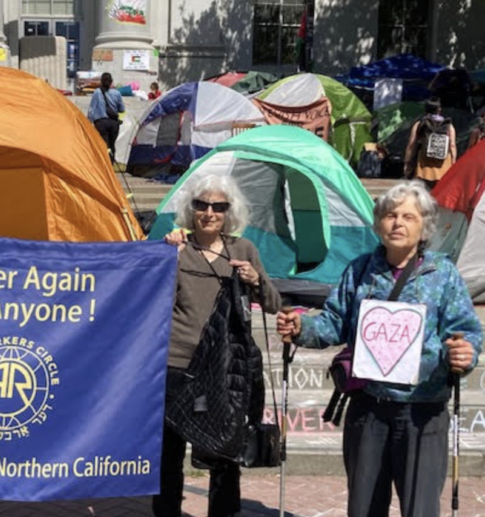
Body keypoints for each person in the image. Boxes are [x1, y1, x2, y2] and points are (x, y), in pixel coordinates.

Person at [277, 181, 482, 517]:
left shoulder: (442, 274)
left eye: (408, 216)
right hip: (368, 408)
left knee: (419, 508)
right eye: (390, 215)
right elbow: (334, 322)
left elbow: (466, 333)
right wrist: (302, 328)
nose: (397, 222)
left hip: (423, 411)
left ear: (424, 225)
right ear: (378, 223)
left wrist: (464, 353)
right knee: (364, 508)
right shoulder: (360, 270)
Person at [155, 175, 281, 517]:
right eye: (201, 205)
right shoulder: (176, 248)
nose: (209, 212)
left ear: (229, 212)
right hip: (177, 363)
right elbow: (149, 297)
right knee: (168, 455)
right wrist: (167, 256)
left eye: (218, 207)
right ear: (190, 209)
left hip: (225, 368)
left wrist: (255, 281)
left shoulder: (243, 250)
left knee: (224, 456)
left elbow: (272, 302)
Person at [403, 98, 457, 190]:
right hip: (444, 162)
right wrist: (453, 162)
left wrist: (407, 161)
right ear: (439, 109)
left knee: (422, 190)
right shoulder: (448, 125)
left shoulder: (420, 124)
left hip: (424, 161)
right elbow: (452, 145)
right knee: (440, 190)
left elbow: (411, 144)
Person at [87, 72, 125, 163]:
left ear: (101, 82)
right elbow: (122, 109)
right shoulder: (117, 93)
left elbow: (92, 109)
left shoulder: (97, 92)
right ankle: (111, 163)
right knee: (112, 144)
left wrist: (89, 122)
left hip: (100, 122)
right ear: (111, 82)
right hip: (113, 123)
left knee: (103, 144)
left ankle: (104, 163)